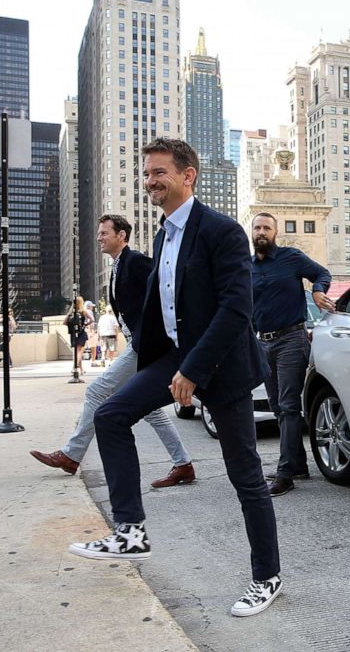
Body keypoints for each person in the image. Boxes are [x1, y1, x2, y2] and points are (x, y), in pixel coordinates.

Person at [71, 138, 282, 618]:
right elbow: (162, 304)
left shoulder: (222, 231)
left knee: (244, 474)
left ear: (188, 175)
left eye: (159, 172)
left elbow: (235, 309)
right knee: (111, 415)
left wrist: (193, 369)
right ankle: (130, 532)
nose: (150, 181)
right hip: (174, 357)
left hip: (221, 364)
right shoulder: (165, 234)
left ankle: (266, 577)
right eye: (147, 174)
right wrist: (155, 360)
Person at [30, 214, 194, 488]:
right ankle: (183, 465)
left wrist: (154, 336)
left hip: (147, 347)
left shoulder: (136, 262)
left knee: (96, 390)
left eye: (105, 233)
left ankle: (71, 455)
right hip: (137, 345)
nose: (99, 237)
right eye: (99, 233)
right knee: (152, 411)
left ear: (122, 236)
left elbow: (165, 294)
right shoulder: (117, 268)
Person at [250, 213, 335, 497]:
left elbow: (322, 273)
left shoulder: (291, 257)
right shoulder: (246, 266)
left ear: (275, 232)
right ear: (251, 232)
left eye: (267, 228)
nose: (261, 232)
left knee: (288, 406)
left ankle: (285, 473)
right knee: (277, 406)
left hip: (291, 338)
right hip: (263, 343)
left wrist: (319, 291)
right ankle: (297, 464)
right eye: (257, 227)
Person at [64, 297, 92, 374]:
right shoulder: (83, 311)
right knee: (80, 352)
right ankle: (74, 367)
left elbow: (64, 322)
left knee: (76, 351)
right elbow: (92, 320)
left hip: (73, 333)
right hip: (81, 333)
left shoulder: (70, 313)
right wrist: (85, 324)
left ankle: (81, 369)